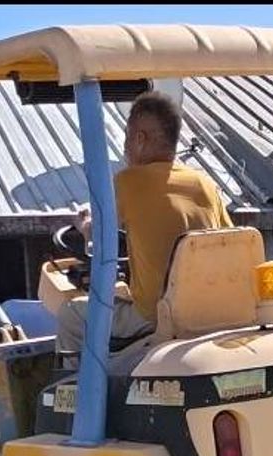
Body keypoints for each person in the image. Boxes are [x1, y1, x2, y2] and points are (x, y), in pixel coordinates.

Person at [66, 91, 233, 354]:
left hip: (154, 315)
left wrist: (84, 223)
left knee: (71, 315)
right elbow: (230, 240)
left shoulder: (128, 182)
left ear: (140, 139)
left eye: (127, 137)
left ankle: (79, 381)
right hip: (208, 312)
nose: (124, 147)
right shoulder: (205, 185)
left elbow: (98, 236)